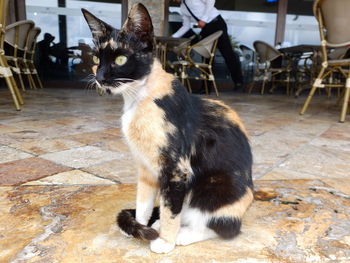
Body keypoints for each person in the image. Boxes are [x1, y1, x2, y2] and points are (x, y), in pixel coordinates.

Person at [172, 0, 244, 90]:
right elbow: (186, 26)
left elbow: (211, 1)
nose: (174, 1)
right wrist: (172, 37)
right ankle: (206, 88)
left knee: (227, 53)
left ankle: (239, 82)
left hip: (216, 23)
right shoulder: (183, 8)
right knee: (206, 57)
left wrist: (203, 19)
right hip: (206, 28)